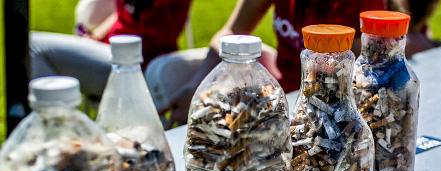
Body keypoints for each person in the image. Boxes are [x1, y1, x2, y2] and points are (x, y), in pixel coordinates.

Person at [156, 0, 388, 127]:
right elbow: (231, 31)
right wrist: (202, 86)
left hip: (328, 115)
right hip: (278, 103)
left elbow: (363, 75)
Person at [30, 0, 191, 100]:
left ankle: (56, 130)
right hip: (111, 52)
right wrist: (96, 36)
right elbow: (121, 15)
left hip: (139, 63)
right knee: (34, 44)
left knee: (34, 45)